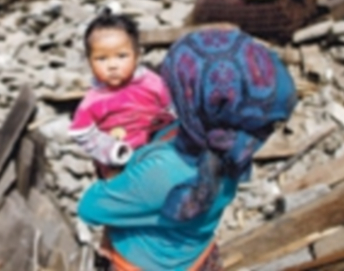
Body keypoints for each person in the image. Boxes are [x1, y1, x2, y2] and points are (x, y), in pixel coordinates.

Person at [77, 28, 297, 270]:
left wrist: (115, 170)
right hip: (197, 256)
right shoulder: (236, 143)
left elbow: (91, 209)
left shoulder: (164, 171)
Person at [69, 10, 175, 178]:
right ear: (89, 61)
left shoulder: (152, 83)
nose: (112, 65)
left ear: (137, 55)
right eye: (101, 59)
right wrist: (111, 150)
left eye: (121, 56)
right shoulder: (92, 101)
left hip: (158, 148)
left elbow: (174, 109)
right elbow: (82, 133)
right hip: (119, 161)